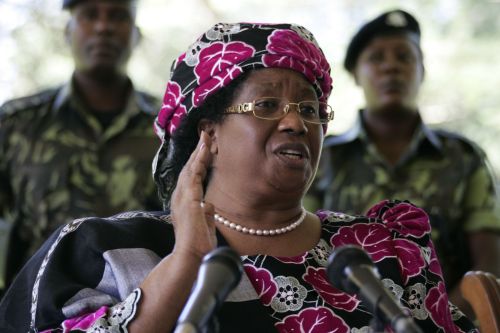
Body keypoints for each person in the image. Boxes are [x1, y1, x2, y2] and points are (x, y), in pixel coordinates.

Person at [0, 22, 476, 332]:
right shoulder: (112, 250)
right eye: (267, 105)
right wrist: (186, 258)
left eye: (309, 109)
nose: (295, 123)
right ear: (209, 133)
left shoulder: (380, 251)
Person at [307, 9, 500, 317]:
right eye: (376, 58)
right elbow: (301, 251)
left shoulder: (462, 158)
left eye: (404, 57)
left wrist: (440, 319)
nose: (391, 67)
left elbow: (490, 261)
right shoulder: (322, 157)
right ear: (356, 74)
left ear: (422, 71)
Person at [0, 0, 161, 296]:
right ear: (67, 32)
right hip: (35, 308)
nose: (103, 27)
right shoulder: (16, 124)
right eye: (89, 15)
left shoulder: (168, 128)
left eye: (117, 16)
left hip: (139, 307)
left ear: (136, 36)